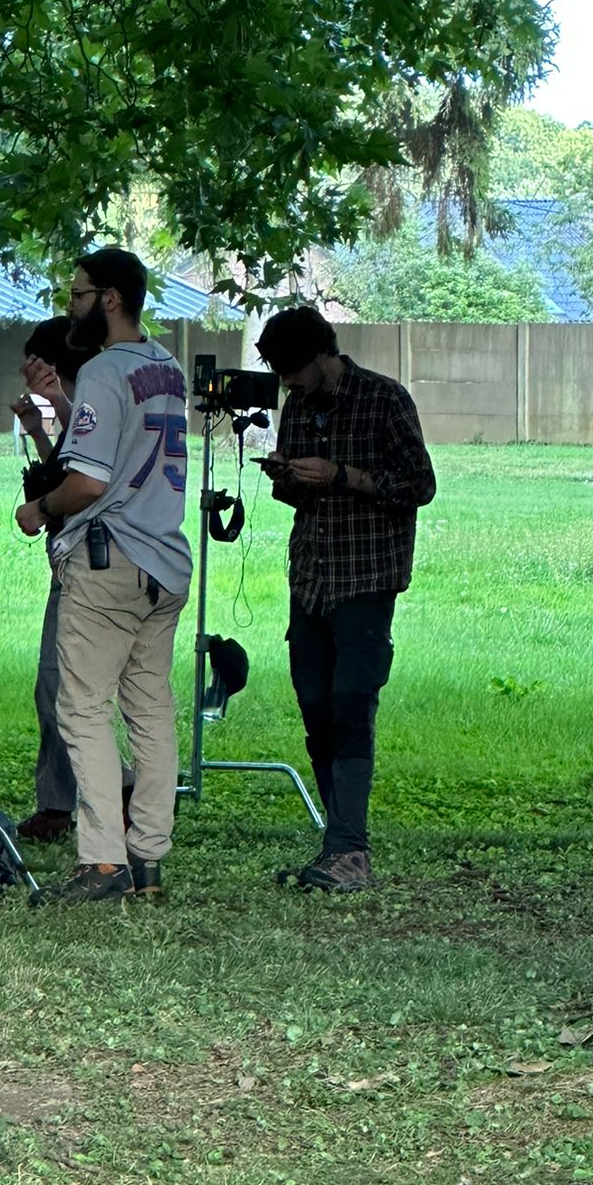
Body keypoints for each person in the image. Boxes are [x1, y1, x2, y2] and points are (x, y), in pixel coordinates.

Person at [15, 248, 191, 902]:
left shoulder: (104, 370)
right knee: (151, 711)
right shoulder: (167, 368)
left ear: (110, 299)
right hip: (165, 561)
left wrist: (40, 509)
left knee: (83, 707)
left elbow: (88, 482)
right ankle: (148, 858)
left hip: (108, 560)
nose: (71, 307)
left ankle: (103, 863)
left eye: (79, 294)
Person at [256, 304, 436, 892]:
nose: (286, 382)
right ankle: (338, 843)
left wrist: (342, 475)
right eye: (279, 372)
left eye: (292, 369)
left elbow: (420, 485)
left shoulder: (384, 399)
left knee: (352, 708)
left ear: (322, 354)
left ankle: (350, 850)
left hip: (365, 578)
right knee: (315, 712)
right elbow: (299, 498)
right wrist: (287, 477)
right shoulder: (297, 405)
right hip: (310, 578)